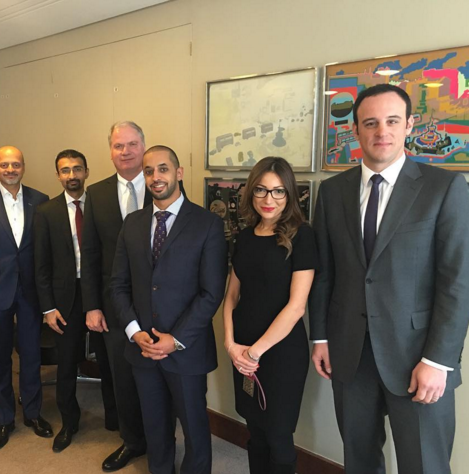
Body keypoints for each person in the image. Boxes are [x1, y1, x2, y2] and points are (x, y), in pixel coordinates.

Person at [309, 84, 469, 474]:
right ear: (356, 130)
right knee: (359, 460)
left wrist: (438, 360)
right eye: (371, 123)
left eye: (393, 121)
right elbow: (325, 273)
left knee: (424, 465)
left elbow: (458, 281)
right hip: (350, 354)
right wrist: (320, 337)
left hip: (418, 357)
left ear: (410, 125)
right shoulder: (332, 192)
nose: (382, 131)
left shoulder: (444, 188)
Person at [111, 145, 227, 474]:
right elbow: (118, 284)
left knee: (194, 428)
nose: (155, 177)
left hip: (186, 349)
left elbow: (211, 293)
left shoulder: (207, 224)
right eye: (148, 171)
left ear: (178, 173)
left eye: (163, 169)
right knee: (155, 426)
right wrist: (134, 332)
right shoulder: (132, 223)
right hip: (143, 348)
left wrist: (174, 340)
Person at [222, 157, 317, 474]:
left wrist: (254, 352)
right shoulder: (244, 237)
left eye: (278, 191)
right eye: (261, 190)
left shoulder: (302, 236)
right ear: (251, 191)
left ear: (289, 195)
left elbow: (297, 307)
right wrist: (231, 345)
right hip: (242, 351)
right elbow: (231, 296)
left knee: (278, 436)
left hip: (280, 353)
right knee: (255, 430)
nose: (268, 199)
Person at [0, 146, 51, 451]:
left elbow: (45, 252)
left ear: (23, 167)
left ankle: (33, 413)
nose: (10, 169)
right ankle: (4, 419)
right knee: (1, 360)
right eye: (4, 165)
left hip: (30, 293)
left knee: (31, 356)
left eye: (16, 164)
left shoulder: (40, 200)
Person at [81, 121, 150, 471]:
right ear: (110, 151)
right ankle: (132, 441)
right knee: (122, 377)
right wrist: (92, 305)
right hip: (112, 305)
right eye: (119, 145)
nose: (126, 151)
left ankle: (160, 438)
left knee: (159, 375)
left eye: (132, 144)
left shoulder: (163, 184)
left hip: (158, 303)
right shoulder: (96, 193)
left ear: (143, 146)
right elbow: (90, 253)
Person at [34, 149, 102, 452]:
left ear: (86, 171)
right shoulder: (46, 212)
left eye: (77, 169)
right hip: (65, 298)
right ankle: (69, 421)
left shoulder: (101, 206)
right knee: (65, 365)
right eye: (65, 170)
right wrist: (48, 308)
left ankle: (116, 419)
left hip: (100, 293)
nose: (72, 175)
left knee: (110, 360)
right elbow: (41, 265)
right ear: (58, 175)